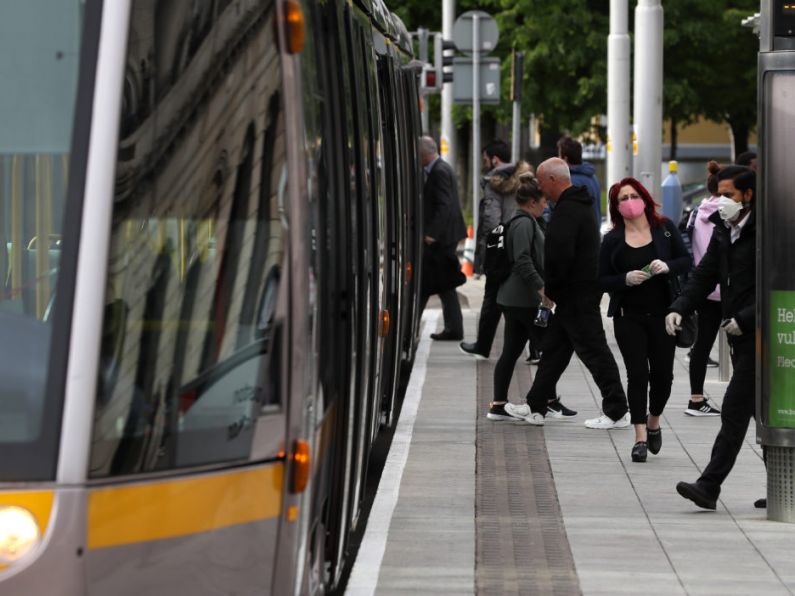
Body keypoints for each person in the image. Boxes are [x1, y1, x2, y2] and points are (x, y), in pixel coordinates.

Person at [503, 157, 629, 427]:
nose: (538, 187)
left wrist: (551, 291)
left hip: (576, 294)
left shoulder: (568, 211)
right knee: (555, 350)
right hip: (576, 292)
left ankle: (618, 410)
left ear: (552, 180)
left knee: (594, 352)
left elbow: (561, 256)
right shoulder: (578, 206)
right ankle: (536, 405)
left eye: (540, 180)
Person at [669, 166, 759, 510]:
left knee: (736, 408)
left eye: (730, 195)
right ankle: (787, 486)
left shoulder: (766, 232)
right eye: (719, 194)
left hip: (763, 335)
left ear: (749, 195)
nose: (723, 201)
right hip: (739, 336)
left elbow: (779, 283)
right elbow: (705, 274)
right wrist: (679, 307)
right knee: (758, 413)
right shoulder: (725, 229)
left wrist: (747, 318)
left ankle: (709, 486)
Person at [599, 178, 691, 461]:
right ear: (616, 207)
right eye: (622, 198)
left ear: (644, 198)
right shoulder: (612, 239)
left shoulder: (663, 229)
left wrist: (667, 267)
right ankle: (639, 436)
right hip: (629, 317)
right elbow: (600, 279)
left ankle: (653, 421)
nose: (629, 202)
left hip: (664, 316)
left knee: (663, 376)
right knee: (637, 374)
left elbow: (686, 260)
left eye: (633, 195)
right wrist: (624, 279)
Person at [487, 176, 577, 421]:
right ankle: (546, 401)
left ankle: (499, 404)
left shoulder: (523, 221)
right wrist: (542, 291)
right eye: (544, 201)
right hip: (525, 300)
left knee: (512, 350)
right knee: (553, 348)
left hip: (514, 298)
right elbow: (523, 261)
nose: (547, 205)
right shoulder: (524, 224)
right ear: (532, 202)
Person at [460, 139, 533, 359]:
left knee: (492, 299)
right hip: (525, 243)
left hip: (502, 250)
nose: (485, 163)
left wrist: (488, 251)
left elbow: (492, 220)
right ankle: (538, 348)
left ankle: (483, 345)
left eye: (485, 159)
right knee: (529, 298)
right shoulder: (526, 179)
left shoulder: (495, 182)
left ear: (494, 159)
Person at [683, 161, 724, 416]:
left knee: (702, 345)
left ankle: (696, 399)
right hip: (731, 289)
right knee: (742, 348)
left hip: (704, 288)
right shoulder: (732, 212)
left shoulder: (697, 212)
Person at [418, 136, 467, 340]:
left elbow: (444, 205)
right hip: (445, 236)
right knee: (442, 283)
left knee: (435, 282)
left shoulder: (438, 171)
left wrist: (432, 234)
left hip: (442, 238)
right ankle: (453, 328)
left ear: (424, 154)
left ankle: (452, 328)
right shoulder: (441, 168)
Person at [558, 136, 602, 229]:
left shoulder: (570, 182)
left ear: (565, 159)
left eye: (559, 155)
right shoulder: (593, 177)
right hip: (593, 234)